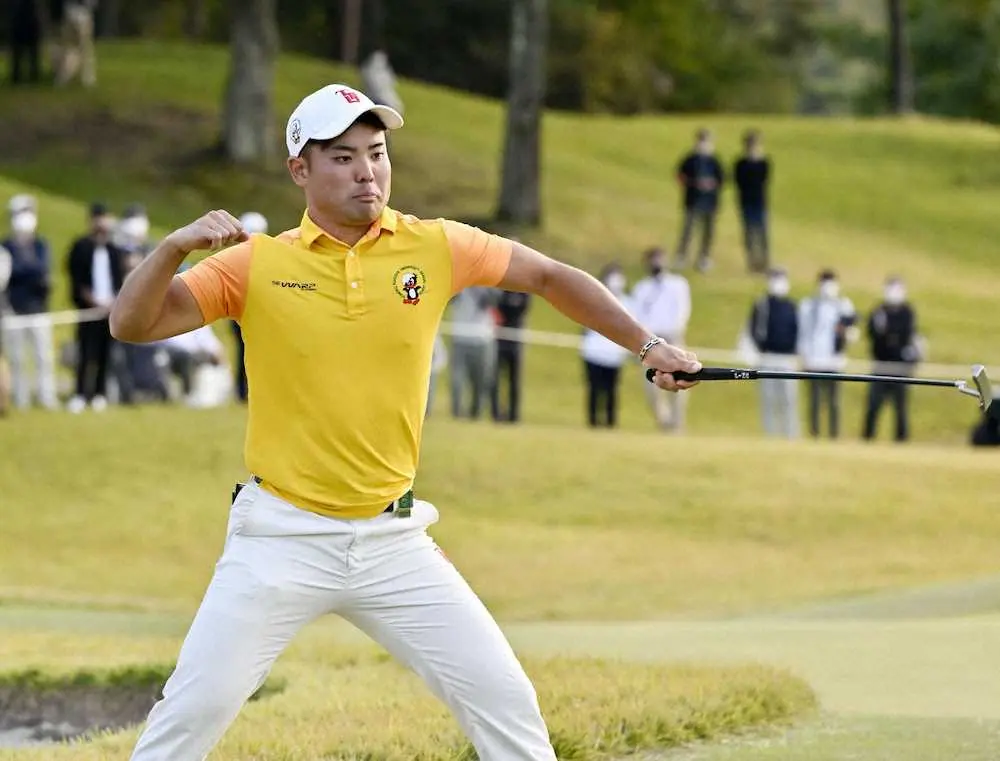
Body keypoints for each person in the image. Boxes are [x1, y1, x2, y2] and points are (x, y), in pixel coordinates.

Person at [109, 82, 700, 761]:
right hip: (280, 535)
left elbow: (548, 276)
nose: (367, 171)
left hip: (393, 539)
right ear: (300, 169)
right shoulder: (256, 263)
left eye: (377, 153)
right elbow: (132, 323)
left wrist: (648, 346)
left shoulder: (435, 245)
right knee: (193, 712)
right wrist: (172, 249)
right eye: (343, 157)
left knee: (505, 699)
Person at [66, 201, 125, 413]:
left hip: (109, 311)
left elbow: (120, 280)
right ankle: (80, 394)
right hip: (88, 310)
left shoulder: (114, 250)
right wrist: (92, 300)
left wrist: (112, 302)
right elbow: (77, 280)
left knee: (105, 353)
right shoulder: (80, 247)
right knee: (85, 353)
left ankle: (100, 394)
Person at [2, 194, 57, 410]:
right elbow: (9, 273)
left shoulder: (41, 245)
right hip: (13, 310)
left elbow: (42, 270)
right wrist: (28, 271)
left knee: (44, 357)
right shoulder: (6, 246)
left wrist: (23, 271)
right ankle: (21, 398)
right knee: (16, 358)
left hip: (38, 309)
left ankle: (46, 397)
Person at [631, 246, 692, 432]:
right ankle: (663, 423)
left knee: (680, 380)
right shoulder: (642, 288)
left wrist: (675, 332)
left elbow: (683, 310)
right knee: (651, 384)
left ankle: (678, 424)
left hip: (673, 337)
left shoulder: (678, 284)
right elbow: (637, 315)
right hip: (651, 340)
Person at [797, 269, 857, 439]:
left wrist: (845, 334)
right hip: (813, 361)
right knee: (815, 400)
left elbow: (851, 332)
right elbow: (803, 333)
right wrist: (803, 356)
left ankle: (833, 434)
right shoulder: (808, 305)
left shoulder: (843, 305)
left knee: (834, 401)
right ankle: (814, 433)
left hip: (834, 361)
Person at [862, 276, 919, 443]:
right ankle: (867, 438)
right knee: (873, 405)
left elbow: (906, 336)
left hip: (900, 368)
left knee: (901, 408)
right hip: (881, 366)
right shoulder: (878, 311)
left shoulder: (907, 312)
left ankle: (901, 440)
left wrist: (889, 336)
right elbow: (873, 336)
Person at [747, 267, 798, 438]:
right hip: (767, 357)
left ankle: (790, 435)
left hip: (787, 358)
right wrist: (760, 349)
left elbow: (797, 330)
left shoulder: (791, 306)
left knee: (789, 399)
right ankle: (770, 435)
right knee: (768, 399)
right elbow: (753, 329)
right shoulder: (762, 304)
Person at [581, 263, 631, 428]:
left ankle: (610, 422)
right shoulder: (594, 299)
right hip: (593, 353)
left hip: (614, 355)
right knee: (594, 389)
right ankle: (593, 421)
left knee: (612, 390)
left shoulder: (628, 302)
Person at [231, 211, 269, 403]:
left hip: (257, 309)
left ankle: (248, 390)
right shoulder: (237, 257)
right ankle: (242, 391)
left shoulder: (266, 255)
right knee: (243, 351)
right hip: (241, 308)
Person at [674, 128, 724, 273]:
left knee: (708, 232)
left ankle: (704, 258)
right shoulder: (690, 160)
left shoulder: (714, 161)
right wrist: (694, 183)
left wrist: (711, 184)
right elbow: (680, 176)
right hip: (693, 200)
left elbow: (721, 179)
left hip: (710, 202)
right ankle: (681, 256)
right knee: (688, 230)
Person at [448, 285, 499, 419]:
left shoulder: (487, 282)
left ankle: (476, 411)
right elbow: (448, 299)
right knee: (457, 378)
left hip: (482, 338)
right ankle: (456, 412)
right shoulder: (458, 283)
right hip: (460, 337)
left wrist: (479, 287)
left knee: (482, 379)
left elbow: (495, 300)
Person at [490, 287, 531, 423]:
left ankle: (514, 415)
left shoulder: (524, 292)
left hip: (516, 341)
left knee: (514, 380)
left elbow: (521, 310)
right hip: (500, 339)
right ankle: (495, 413)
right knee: (495, 379)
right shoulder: (501, 290)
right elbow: (498, 309)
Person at [734, 129, 771, 274]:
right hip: (746, 202)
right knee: (749, 234)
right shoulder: (740, 164)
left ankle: (764, 262)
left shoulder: (763, 162)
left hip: (760, 202)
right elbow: (739, 182)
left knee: (762, 234)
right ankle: (752, 262)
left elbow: (763, 180)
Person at [9, 0, 44, 85]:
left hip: (21, 26)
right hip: (28, 26)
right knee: (30, 54)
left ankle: (19, 76)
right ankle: (31, 76)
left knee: (22, 54)